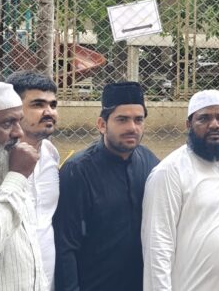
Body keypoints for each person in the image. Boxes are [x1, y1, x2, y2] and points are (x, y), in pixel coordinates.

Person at [142, 90, 219, 290]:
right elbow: (158, 246)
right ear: (188, 125)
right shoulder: (169, 171)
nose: (214, 125)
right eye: (204, 118)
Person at [54, 81, 159, 291]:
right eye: (122, 119)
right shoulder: (78, 171)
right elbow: (65, 247)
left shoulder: (150, 162)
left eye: (138, 120)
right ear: (102, 125)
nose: (132, 127)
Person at [0, 80, 48, 290]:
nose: (19, 133)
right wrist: (17, 175)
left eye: (19, 122)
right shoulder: (17, 171)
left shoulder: (2, 161)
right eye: (7, 124)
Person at [6, 70, 60, 289]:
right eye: (38, 105)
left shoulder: (50, 153)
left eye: (53, 105)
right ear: (14, 109)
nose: (49, 112)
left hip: (46, 278)